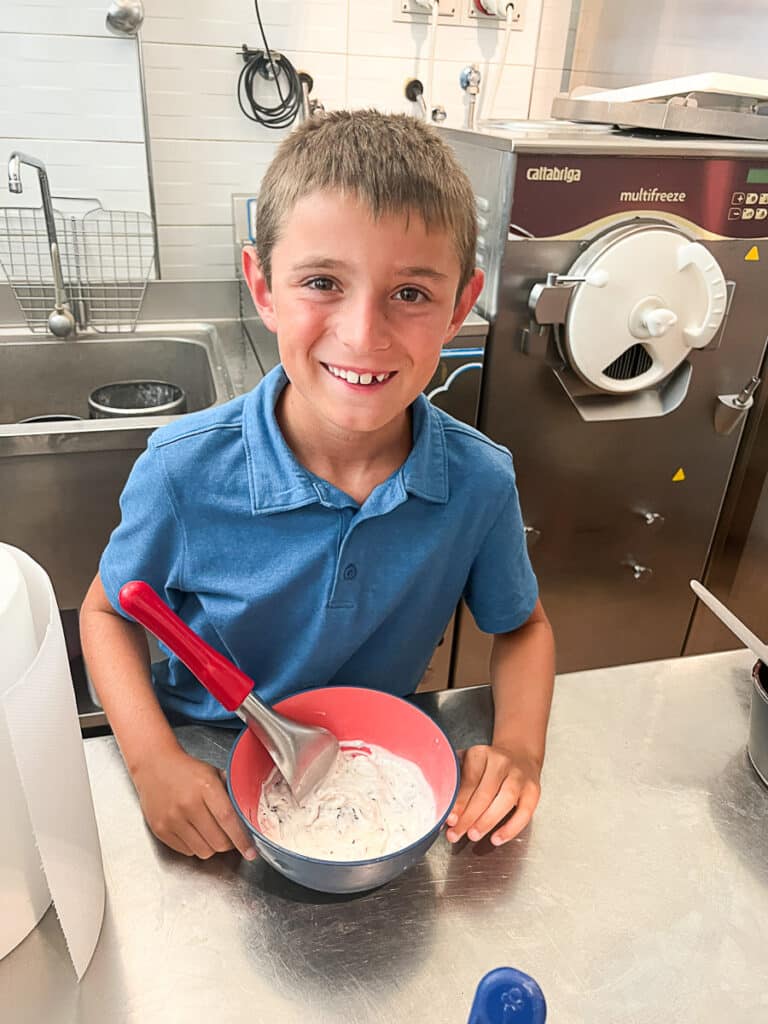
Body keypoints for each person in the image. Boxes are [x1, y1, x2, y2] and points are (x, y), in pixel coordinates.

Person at [80, 109, 555, 863]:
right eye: (324, 282)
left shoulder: (477, 483)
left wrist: (521, 750)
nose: (363, 334)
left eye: (411, 294)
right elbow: (108, 614)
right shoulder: (183, 471)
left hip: (375, 784)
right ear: (263, 286)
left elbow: (523, 628)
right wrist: (153, 762)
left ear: (462, 306)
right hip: (205, 766)